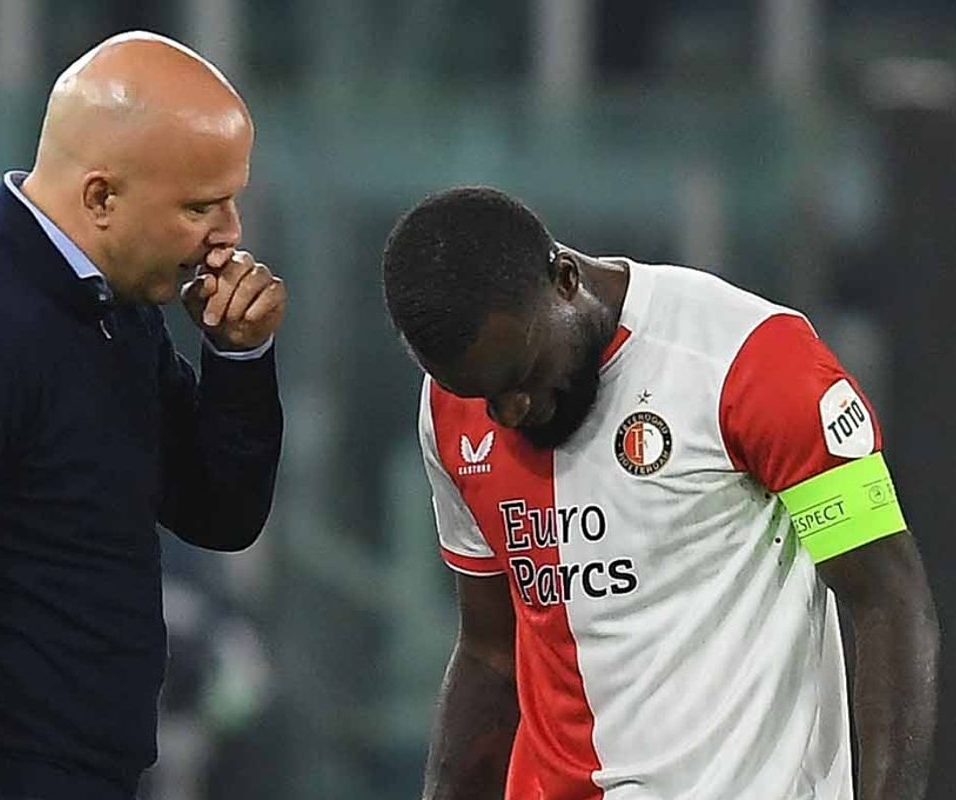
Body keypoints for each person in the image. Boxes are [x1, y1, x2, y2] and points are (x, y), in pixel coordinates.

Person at [0, 31, 285, 800]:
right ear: (100, 197)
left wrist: (236, 361)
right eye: (201, 206)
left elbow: (219, 514)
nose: (229, 233)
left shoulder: (108, 304)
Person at [380, 187, 939, 800]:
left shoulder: (751, 360)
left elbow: (887, 598)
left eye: (523, 376)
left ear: (565, 279)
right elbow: (491, 651)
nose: (511, 411)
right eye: (484, 396)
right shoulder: (449, 412)